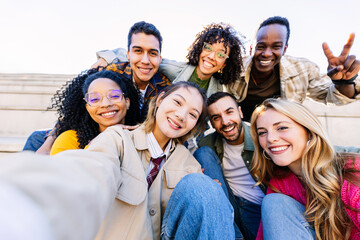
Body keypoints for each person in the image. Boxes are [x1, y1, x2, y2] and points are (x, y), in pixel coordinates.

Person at [0, 81, 235, 240]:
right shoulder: (118, 138)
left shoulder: (189, 164)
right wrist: (32, 198)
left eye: (193, 114)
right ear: (161, 99)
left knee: (205, 188)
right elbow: (93, 169)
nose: (182, 115)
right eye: (177, 102)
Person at [23, 21, 171, 154]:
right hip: (96, 130)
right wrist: (48, 144)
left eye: (152, 53)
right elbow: (75, 110)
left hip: (131, 139)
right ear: (128, 54)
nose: (145, 60)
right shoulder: (111, 72)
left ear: (160, 58)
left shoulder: (165, 88)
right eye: (138, 51)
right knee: (37, 138)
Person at [250, 98, 360, 240]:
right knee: (274, 202)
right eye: (262, 132)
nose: (270, 138)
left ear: (308, 131)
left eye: (282, 128)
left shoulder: (351, 171)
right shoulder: (280, 184)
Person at [228, 16, 360, 121]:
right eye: (261, 47)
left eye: (276, 47)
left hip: (278, 137)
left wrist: (343, 82)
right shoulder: (233, 67)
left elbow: (332, 97)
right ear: (252, 48)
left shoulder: (303, 70)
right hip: (239, 136)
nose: (267, 53)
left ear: (285, 49)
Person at [94, 22, 245, 97]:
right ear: (200, 49)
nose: (211, 56)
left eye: (220, 54)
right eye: (208, 48)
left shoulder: (219, 89)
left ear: (225, 62)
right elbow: (145, 55)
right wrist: (106, 58)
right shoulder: (175, 69)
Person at [194, 92, 265, 240]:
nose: (225, 122)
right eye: (216, 118)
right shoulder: (207, 143)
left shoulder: (261, 137)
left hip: (256, 207)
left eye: (229, 112)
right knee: (203, 153)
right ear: (212, 124)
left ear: (240, 111)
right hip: (227, 204)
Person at [50, 69, 141, 155]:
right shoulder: (69, 139)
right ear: (87, 107)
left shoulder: (142, 137)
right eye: (95, 99)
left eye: (114, 96)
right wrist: (106, 137)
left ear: (127, 102)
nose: (105, 104)